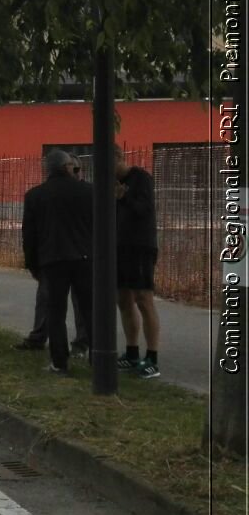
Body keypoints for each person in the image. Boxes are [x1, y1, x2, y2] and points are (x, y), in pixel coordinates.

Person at [21, 150, 93, 375]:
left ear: (48, 170)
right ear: (67, 167)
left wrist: (33, 265)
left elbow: (29, 235)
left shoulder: (35, 196)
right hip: (84, 258)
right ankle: (98, 359)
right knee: (89, 309)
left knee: (56, 312)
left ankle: (59, 362)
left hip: (52, 260)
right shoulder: (89, 192)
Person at [115, 152, 161, 378]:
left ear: (119, 159)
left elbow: (143, 210)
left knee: (143, 299)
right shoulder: (113, 185)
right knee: (123, 299)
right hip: (119, 248)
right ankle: (131, 352)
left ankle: (152, 357)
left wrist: (124, 197)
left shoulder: (140, 179)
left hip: (140, 247)